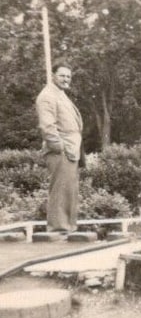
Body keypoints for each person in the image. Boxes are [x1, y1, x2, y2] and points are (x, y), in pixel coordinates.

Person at [35, 61, 84, 233]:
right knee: (60, 191)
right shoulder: (47, 96)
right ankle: (58, 230)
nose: (66, 79)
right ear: (53, 75)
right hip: (61, 151)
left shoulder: (60, 94)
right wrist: (59, 148)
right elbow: (47, 126)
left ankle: (68, 229)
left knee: (69, 191)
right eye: (62, 75)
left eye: (68, 76)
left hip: (71, 149)